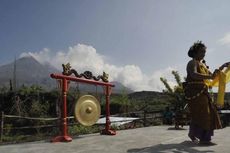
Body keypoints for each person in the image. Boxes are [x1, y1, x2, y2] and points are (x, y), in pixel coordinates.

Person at [185, 40, 229, 145]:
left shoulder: (203, 65)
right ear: (195, 52)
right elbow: (194, 74)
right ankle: (200, 137)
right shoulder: (192, 62)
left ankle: (200, 136)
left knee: (208, 113)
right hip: (194, 92)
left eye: (204, 52)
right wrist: (210, 76)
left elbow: (213, 75)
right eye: (201, 51)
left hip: (203, 92)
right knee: (202, 114)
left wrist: (223, 66)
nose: (203, 54)